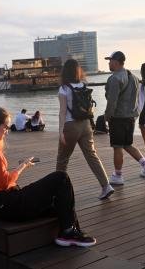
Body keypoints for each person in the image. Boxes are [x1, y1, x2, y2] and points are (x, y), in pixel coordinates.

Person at [0, 106, 96, 247]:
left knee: (59, 204)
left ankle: (70, 230)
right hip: (9, 203)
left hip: (4, 204)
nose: (6, 132)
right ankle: (67, 233)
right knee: (61, 178)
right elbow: (5, 182)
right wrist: (22, 166)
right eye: (5, 127)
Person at [57, 59, 114, 200]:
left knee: (62, 160)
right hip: (86, 125)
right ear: (78, 71)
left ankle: (57, 193)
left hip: (70, 126)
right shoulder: (83, 85)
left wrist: (60, 131)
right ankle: (106, 186)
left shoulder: (64, 88)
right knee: (92, 155)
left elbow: (63, 112)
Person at [104, 51, 145, 186]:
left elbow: (112, 101)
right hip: (130, 118)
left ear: (115, 62)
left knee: (117, 147)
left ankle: (118, 175)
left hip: (118, 118)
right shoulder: (134, 77)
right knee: (127, 144)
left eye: (110, 61)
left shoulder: (115, 78)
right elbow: (138, 98)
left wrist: (107, 116)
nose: (109, 63)